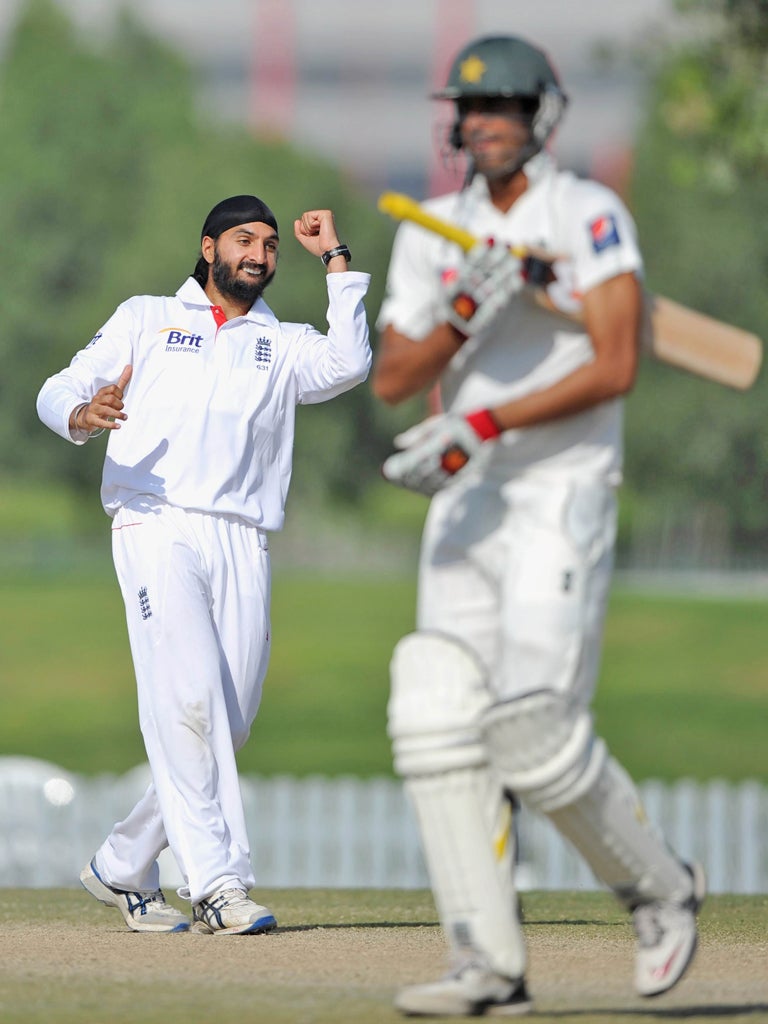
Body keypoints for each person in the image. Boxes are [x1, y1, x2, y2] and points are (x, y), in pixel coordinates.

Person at [372, 35, 705, 1016]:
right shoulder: (435, 229)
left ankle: (660, 888)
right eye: (472, 109)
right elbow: (394, 376)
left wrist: (486, 415)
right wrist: (468, 306)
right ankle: (487, 960)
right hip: (469, 493)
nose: (485, 122)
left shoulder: (589, 214)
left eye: (505, 106)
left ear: (540, 115)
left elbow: (614, 362)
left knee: (532, 724)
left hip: (562, 485)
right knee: (437, 709)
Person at [37, 196, 371, 935]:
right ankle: (219, 883)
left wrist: (335, 261)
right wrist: (82, 414)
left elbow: (349, 364)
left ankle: (124, 862)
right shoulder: (148, 316)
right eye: (245, 240)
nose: (259, 254)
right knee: (189, 702)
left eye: (272, 245)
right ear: (208, 246)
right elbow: (57, 387)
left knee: (229, 720)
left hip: (242, 538)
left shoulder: (279, 343)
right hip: (156, 522)